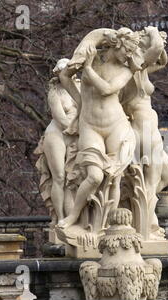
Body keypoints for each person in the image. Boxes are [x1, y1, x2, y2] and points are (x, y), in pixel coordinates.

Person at [57, 28, 140, 229]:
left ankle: (109, 227)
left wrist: (88, 69)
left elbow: (107, 90)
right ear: (116, 45)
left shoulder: (126, 70)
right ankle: (74, 216)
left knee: (114, 178)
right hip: (90, 126)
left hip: (116, 126)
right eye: (127, 51)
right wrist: (80, 102)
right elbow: (65, 76)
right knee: (94, 176)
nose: (129, 56)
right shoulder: (91, 59)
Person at [121, 27, 168, 239]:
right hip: (141, 129)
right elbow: (154, 50)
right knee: (150, 178)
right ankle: (146, 224)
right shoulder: (130, 68)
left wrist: (160, 40)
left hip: (150, 129)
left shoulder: (141, 70)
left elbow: (162, 60)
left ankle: (138, 210)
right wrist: (153, 33)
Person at [35, 59, 79, 224]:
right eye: (63, 71)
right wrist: (79, 131)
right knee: (59, 177)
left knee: (73, 178)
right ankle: (60, 218)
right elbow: (60, 118)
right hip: (57, 135)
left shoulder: (80, 88)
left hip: (75, 135)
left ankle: (73, 217)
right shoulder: (55, 92)